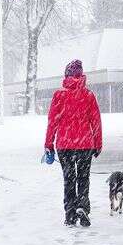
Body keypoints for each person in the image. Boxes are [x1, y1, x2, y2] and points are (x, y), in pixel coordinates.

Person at [43, 59, 103, 227]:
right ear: (81, 75)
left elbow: (52, 121)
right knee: (83, 178)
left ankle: (70, 213)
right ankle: (82, 206)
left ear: (67, 75)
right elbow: (95, 121)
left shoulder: (59, 95)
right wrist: (97, 143)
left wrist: (49, 144)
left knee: (69, 179)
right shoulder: (88, 95)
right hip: (85, 144)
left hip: (65, 145)